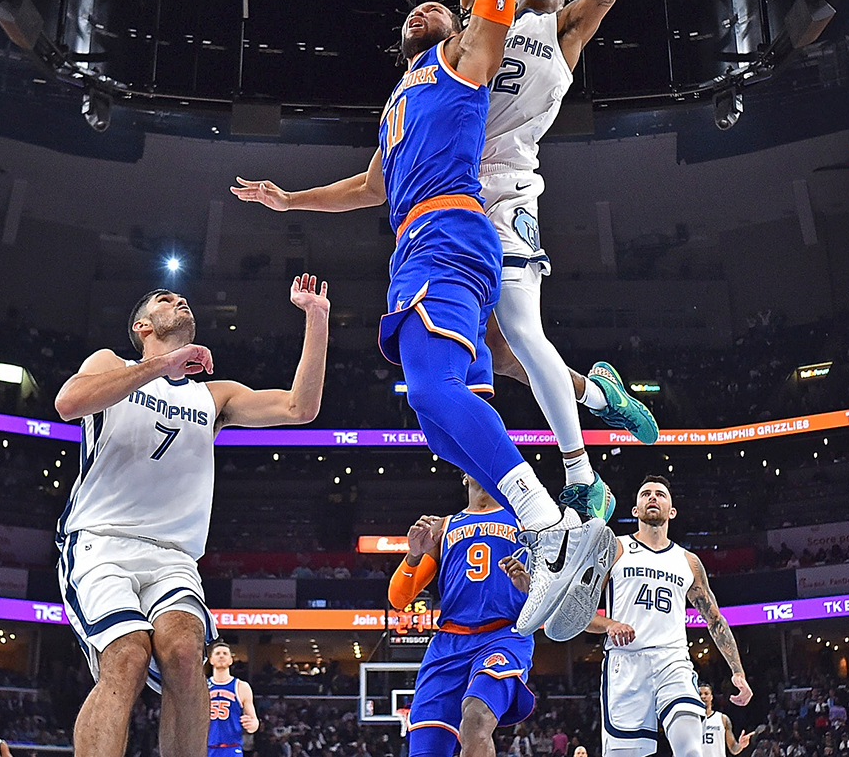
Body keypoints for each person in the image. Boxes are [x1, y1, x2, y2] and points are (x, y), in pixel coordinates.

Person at [232, 0, 613, 642]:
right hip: (419, 241)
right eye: (412, 14)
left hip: (452, 233)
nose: (419, 14)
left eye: (435, 9)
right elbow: (370, 187)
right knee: (435, 416)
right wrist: (290, 201)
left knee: (439, 390)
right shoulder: (399, 100)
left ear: (463, 24)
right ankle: (547, 522)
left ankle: (551, 528)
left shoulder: (467, 59)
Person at [457, 0, 659, 522]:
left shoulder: (567, 32)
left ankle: (582, 476)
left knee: (523, 336)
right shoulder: (486, 11)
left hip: (507, 190)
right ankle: (601, 396)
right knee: (500, 356)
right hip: (451, 195)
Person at [53, 275, 331, 757]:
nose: (179, 300)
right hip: (101, 542)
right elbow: (68, 403)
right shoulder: (110, 363)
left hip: (174, 556)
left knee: (185, 654)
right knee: (127, 657)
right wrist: (162, 364)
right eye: (165, 299)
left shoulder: (213, 395)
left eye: (181, 298)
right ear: (142, 325)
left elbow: (299, 407)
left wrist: (317, 317)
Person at [588, 477, 751, 757]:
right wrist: (611, 624)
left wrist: (737, 671)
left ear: (671, 511)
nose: (653, 497)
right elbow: (580, 613)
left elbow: (714, 619)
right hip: (625, 664)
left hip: (672, 662)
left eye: (660, 494)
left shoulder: (687, 561)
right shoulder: (615, 548)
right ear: (636, 509)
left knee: (691, 751)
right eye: (646, 494)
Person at [388, 474, 537, 757]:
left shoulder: (528, 521)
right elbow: (398, 598)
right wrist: (414, 556)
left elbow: (554, 588)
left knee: (475, 719)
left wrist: (533, 585)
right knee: (425, 750)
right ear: (462, 473)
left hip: (503, 635)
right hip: (449, 643)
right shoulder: (442, 527)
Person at [205, 642, 258, 757]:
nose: (221, 656)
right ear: (211, 660)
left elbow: (254, 722)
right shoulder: (201, 687)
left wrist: (252, 724)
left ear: (231, 660)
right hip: (206, 748)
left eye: (225, 653)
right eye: (217, 653)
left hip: (231, 747)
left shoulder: (241, 686)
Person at [700, 685, 755, 755]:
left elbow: (733, 748)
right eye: (700, 694)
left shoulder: (722, 719)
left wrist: (741, 745)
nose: (703, 697)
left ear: (711, 697)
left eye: (706, 693)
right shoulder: (690, 720)